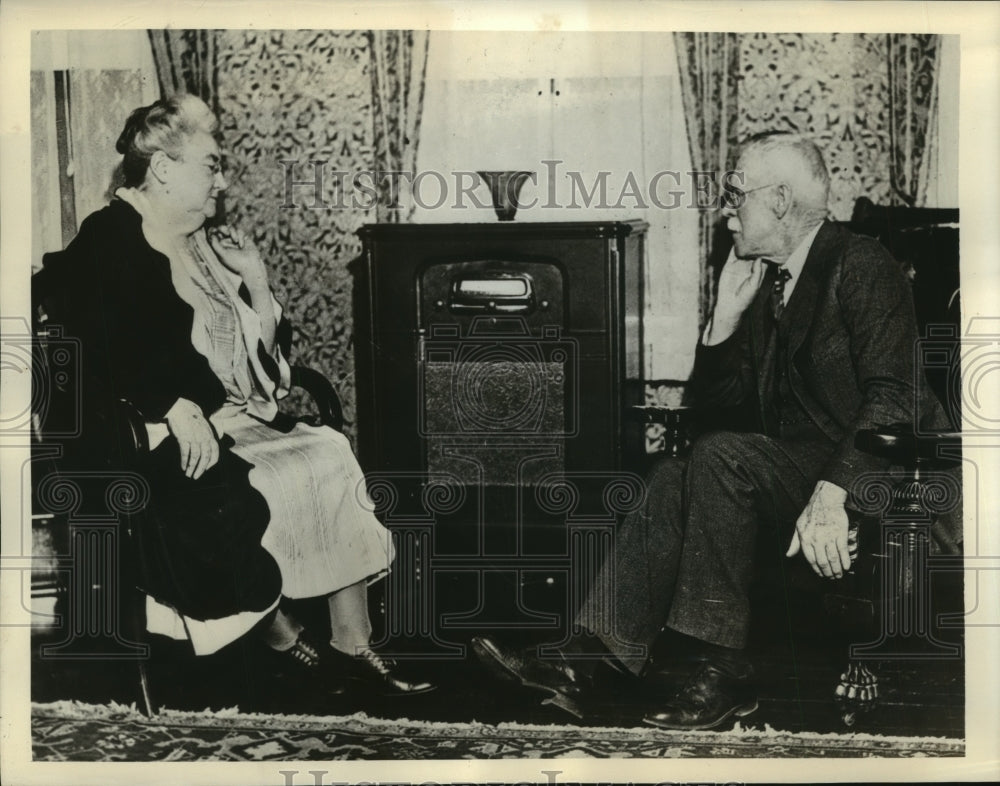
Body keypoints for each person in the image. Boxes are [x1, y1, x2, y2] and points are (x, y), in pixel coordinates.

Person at [472, 132, 957, 728]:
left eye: (735, 194)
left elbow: (897, 395)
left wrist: (835, 496)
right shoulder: (763, 279)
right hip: (802, 466)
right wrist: (724, 316)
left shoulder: (860, 263)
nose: (727, 210)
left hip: (896, 470)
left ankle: (722, 668)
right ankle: (583, 662)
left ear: (779, 200)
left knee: (722, 458)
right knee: (677, 470)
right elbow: (721, 414)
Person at [40, 94, 434, 698]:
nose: (222, 182)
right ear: (165, 168)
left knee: (327, 453)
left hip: (222, 415)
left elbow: (248, 355)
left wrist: (254, 279)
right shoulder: (110, 235)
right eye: (211, 165)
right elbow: (78, 316)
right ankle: (279, 633)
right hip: (140, 436)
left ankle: (353, 643)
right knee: (261, 484)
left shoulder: (193, 241)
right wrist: (170, 404)